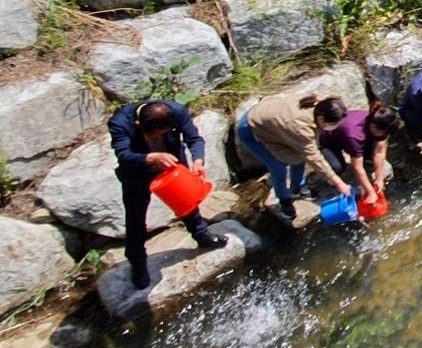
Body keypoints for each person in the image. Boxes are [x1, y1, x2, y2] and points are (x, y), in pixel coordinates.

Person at [108, 101, 227, 290]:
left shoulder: (176, 111)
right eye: (154, 135)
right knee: (135, 219)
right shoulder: (120, 122)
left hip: (173, 166)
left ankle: (202, 236)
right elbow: (123, 154)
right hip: (137, 172)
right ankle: (138, 264)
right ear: (139, 125)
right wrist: (152, 157)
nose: (159, 138)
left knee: (186, 201)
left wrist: (198, 160)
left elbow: (194, 139)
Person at [238, 92, 355, 220]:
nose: (333, 128)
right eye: (332, 125)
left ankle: (296, 188)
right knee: (277, 167)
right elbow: (313, 157)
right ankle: (284, 201)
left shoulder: (319, 105)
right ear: (321, 119)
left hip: (273, 119)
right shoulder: (300, 127)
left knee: (298, 157)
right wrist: (339, 183)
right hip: (252, 127)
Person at [319, 104, 399, 205]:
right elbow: (357, 167)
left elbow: (379, 152)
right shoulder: (355, 135)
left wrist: (379, 178)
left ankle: (364, 157)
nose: (385, 136)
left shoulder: (378, 122)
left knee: (371, 154)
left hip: (352, 138)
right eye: (384, 133)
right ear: (374, 127)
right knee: (338, 167)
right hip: (329, 142)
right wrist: (370, 192)